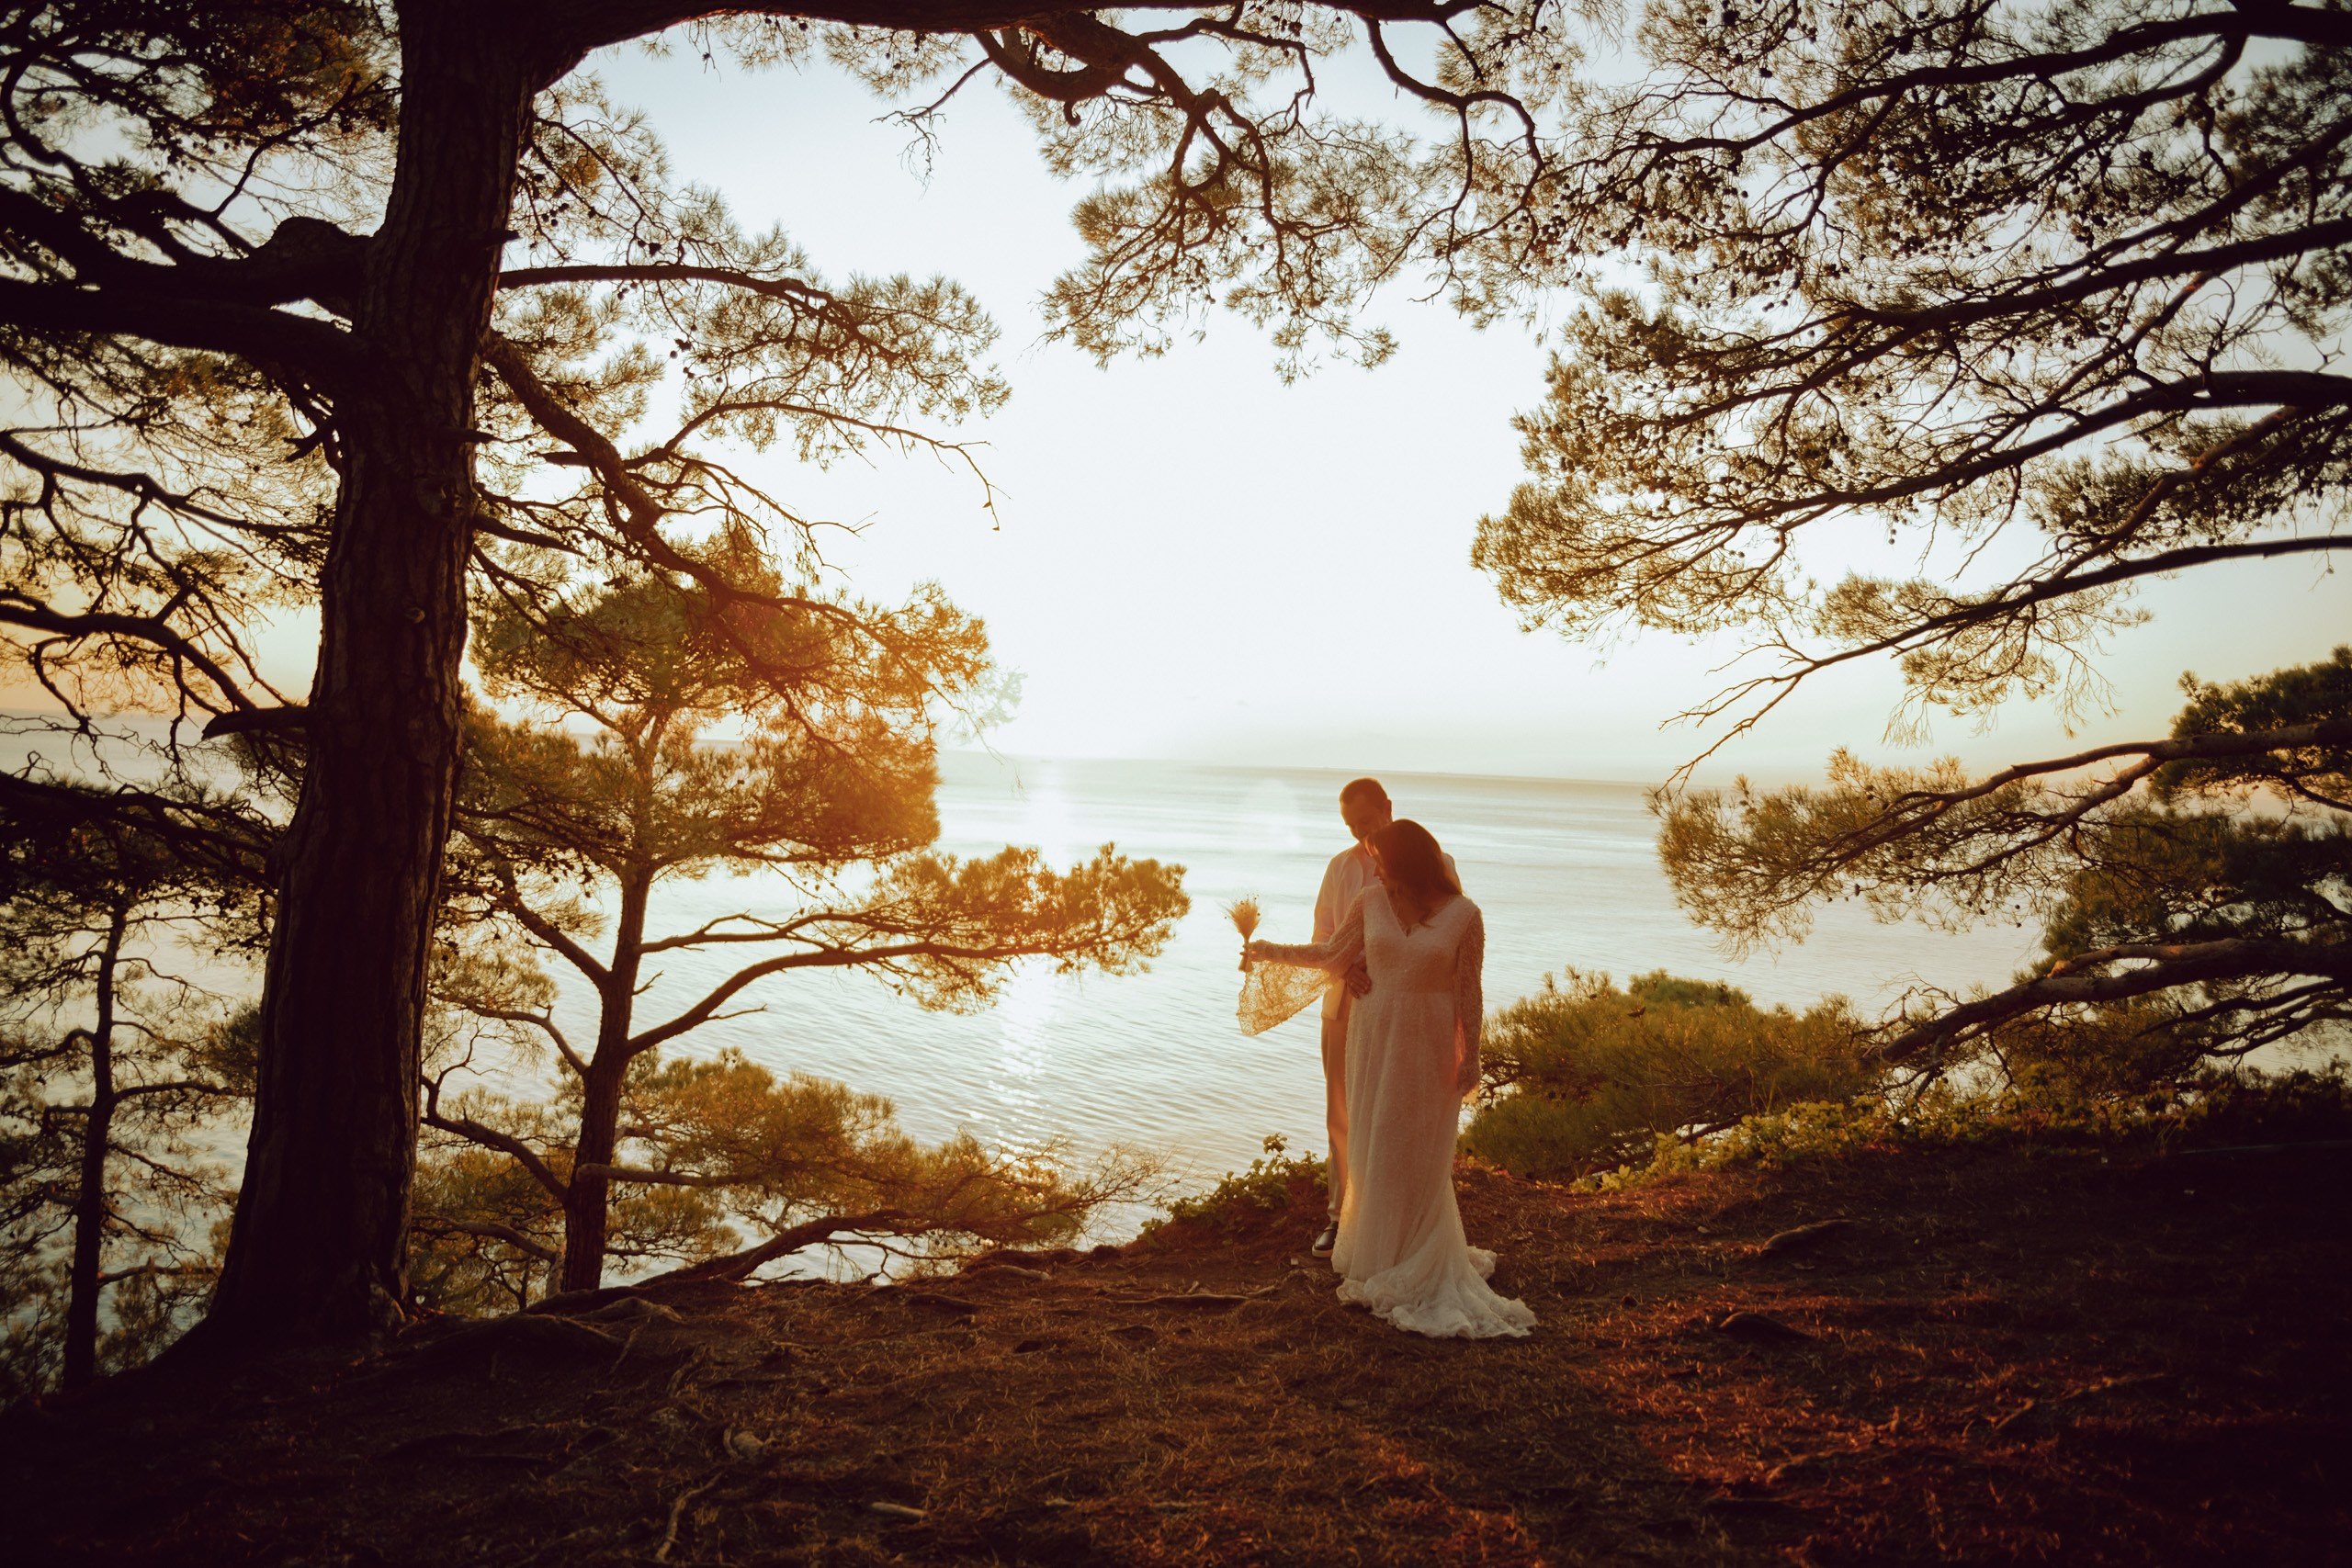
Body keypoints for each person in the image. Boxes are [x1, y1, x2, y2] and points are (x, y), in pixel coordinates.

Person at [1249, 819, 1535, 1340]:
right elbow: (1331, 956)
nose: (1376, 868)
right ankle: (1377, 1250)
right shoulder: (1370, 902)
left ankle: (1421, 1250)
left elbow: (1468, 992)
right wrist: (1268, 951)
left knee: (1417, 1145)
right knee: (1375, 1141)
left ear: (1409, 862)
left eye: (1383, 859)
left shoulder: (1465, 916)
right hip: (1374, 1032)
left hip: (1427, 1041)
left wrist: (1470, 1054)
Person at [1304, 779, 1453, 1258]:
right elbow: (1323, 938)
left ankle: (1396, 1221)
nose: (1358, 834)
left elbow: (1443, 931)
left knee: (1398, 1115)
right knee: (1342, 1116)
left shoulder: (1434, 863)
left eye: (1365, 823)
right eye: (1349, 825)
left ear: (1388, 809)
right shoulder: (1340, 868)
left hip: (1405, 1010)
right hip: (1345, 1006)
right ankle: (1339, 1219)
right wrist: (1348, 967)